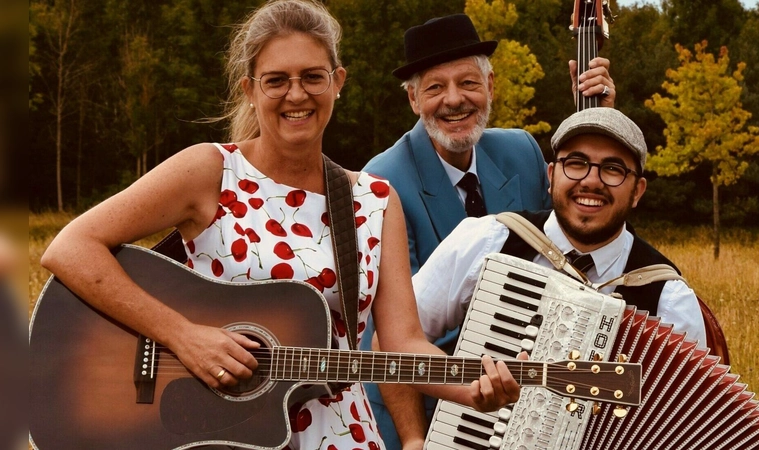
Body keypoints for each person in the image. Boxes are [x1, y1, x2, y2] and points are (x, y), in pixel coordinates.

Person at [39, 1, 524, 448]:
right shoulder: (208, 171)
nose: (297, 95)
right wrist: (182, 334)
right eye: (276, 80)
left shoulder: (375, 200)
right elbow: (70, 247)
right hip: (221, 432)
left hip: (341, 434)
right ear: (250, 89)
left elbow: (403, 343)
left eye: (313, 77)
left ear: (338, 81)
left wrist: (473, 389)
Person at [361, 13, 617, 448]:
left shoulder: (522, 151)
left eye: (468, 83)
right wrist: (412, 440)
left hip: (523, 396)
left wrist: (602, 123)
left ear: (491, 86)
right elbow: (387, 336)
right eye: (435, 88)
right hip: (418, 403)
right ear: (412, 100)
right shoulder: (383, 184)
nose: (454, 100)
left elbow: (578, 231)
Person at [396, 107, 707, 447]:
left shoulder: (668, 298)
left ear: (637, 191)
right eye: (576, 163)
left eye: (614, 169)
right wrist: (413, 439)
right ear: (551, 174)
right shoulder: (487, 241)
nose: (591, 180)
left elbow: (685, 429)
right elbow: (393, 338)